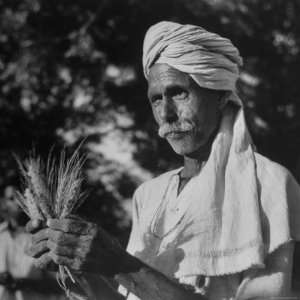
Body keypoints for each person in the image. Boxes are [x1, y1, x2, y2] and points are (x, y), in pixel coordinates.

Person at [25, 21, 300, 300]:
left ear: (220, 96)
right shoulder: (149, 195)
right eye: (156, 99)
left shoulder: (269, 185)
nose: (167, 113)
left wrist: (122, 266)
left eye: (179, 93)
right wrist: (77, 267)